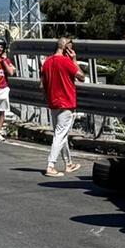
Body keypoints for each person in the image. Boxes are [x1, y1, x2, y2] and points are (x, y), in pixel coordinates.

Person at [40, 37, 86, 177]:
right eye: (70, 48)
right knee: (60, 135)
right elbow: (82, 77)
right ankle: (51, 165)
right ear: (66, 48)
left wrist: (49, 98)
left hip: (53, 103)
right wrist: (74, 60)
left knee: (61, 134)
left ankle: (68, 163)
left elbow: (42, 85)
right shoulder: (66, 61)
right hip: (66, 103)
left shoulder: (47, 62)